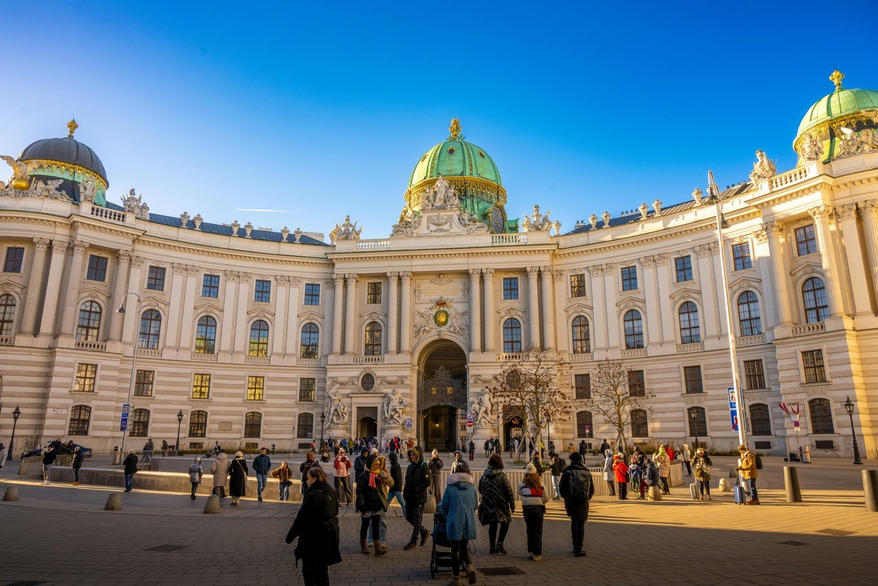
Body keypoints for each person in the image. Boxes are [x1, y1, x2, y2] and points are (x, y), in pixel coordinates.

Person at [285, 467, 342, 586]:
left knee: (310, 572)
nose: (306, 481)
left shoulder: (313, 495)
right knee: (322, 571)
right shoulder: (330, 490)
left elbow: (301, 519)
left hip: (314, 538)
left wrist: (290, 537)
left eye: (308, 478)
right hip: (329, 534)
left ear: (315, 478)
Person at [439, 459, 478, 585]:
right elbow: (475, 505)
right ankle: (470, 567)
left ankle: (456, 578)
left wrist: (446, 515)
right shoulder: (472, 489)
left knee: (454, 549)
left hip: (454, 520)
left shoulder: (450, 488)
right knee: (464, 546)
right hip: (468, 521)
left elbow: (444, 506)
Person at [559, 451, 594, 557]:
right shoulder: (586, 471)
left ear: (571, 460)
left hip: (571, 500)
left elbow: (562, 488)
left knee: (574, 522)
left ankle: (574, 546)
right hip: (583, 500)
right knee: (581, 523)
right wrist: (586, 498)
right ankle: (579, 548)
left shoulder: (567, 471)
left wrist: (566, 497)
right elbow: (591, 489)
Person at [478, 453, 514, 555]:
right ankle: (500, 543)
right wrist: (512, 505)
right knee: (505, 522)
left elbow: (480, 489)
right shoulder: (502, 475)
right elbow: (509, 491)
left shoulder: (484, 475)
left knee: (493, 524)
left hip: (489, 503)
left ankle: (492, 546)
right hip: (501, 503)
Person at [356, 455, 392, 556]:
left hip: (376, 505)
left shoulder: (378, 475)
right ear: (371, 464)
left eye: (378, 464)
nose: (377, 466)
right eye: (375, 464)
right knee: (365, 526)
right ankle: (363, 546)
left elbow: (382, 490)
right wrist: (361, 504)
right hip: (367, 505)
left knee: (376, 526)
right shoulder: (364, 475)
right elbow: (359, 491)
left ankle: (377, 548)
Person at [519, 461, 550, 562]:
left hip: (526, 509)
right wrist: (540, 501)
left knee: (529, 529)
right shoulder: (540, 484)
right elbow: (546, 497)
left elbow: (520, 493)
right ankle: (536, 554)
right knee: (537, 530)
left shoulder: (522, 484)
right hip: (537, 508)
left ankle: (530, 550)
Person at [403, 447, 431, 550]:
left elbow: (427, 482)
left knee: (416, 518)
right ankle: (423, 531)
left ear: (418, 455)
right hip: (410, 497)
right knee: (408, 516)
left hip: (419, 497)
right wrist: (405, 493)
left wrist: (417, 489)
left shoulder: (424, 466)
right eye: (411, 455)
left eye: (414, 455)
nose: (412, 457)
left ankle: (413, 541)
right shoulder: (410, 466)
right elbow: (406, 481)